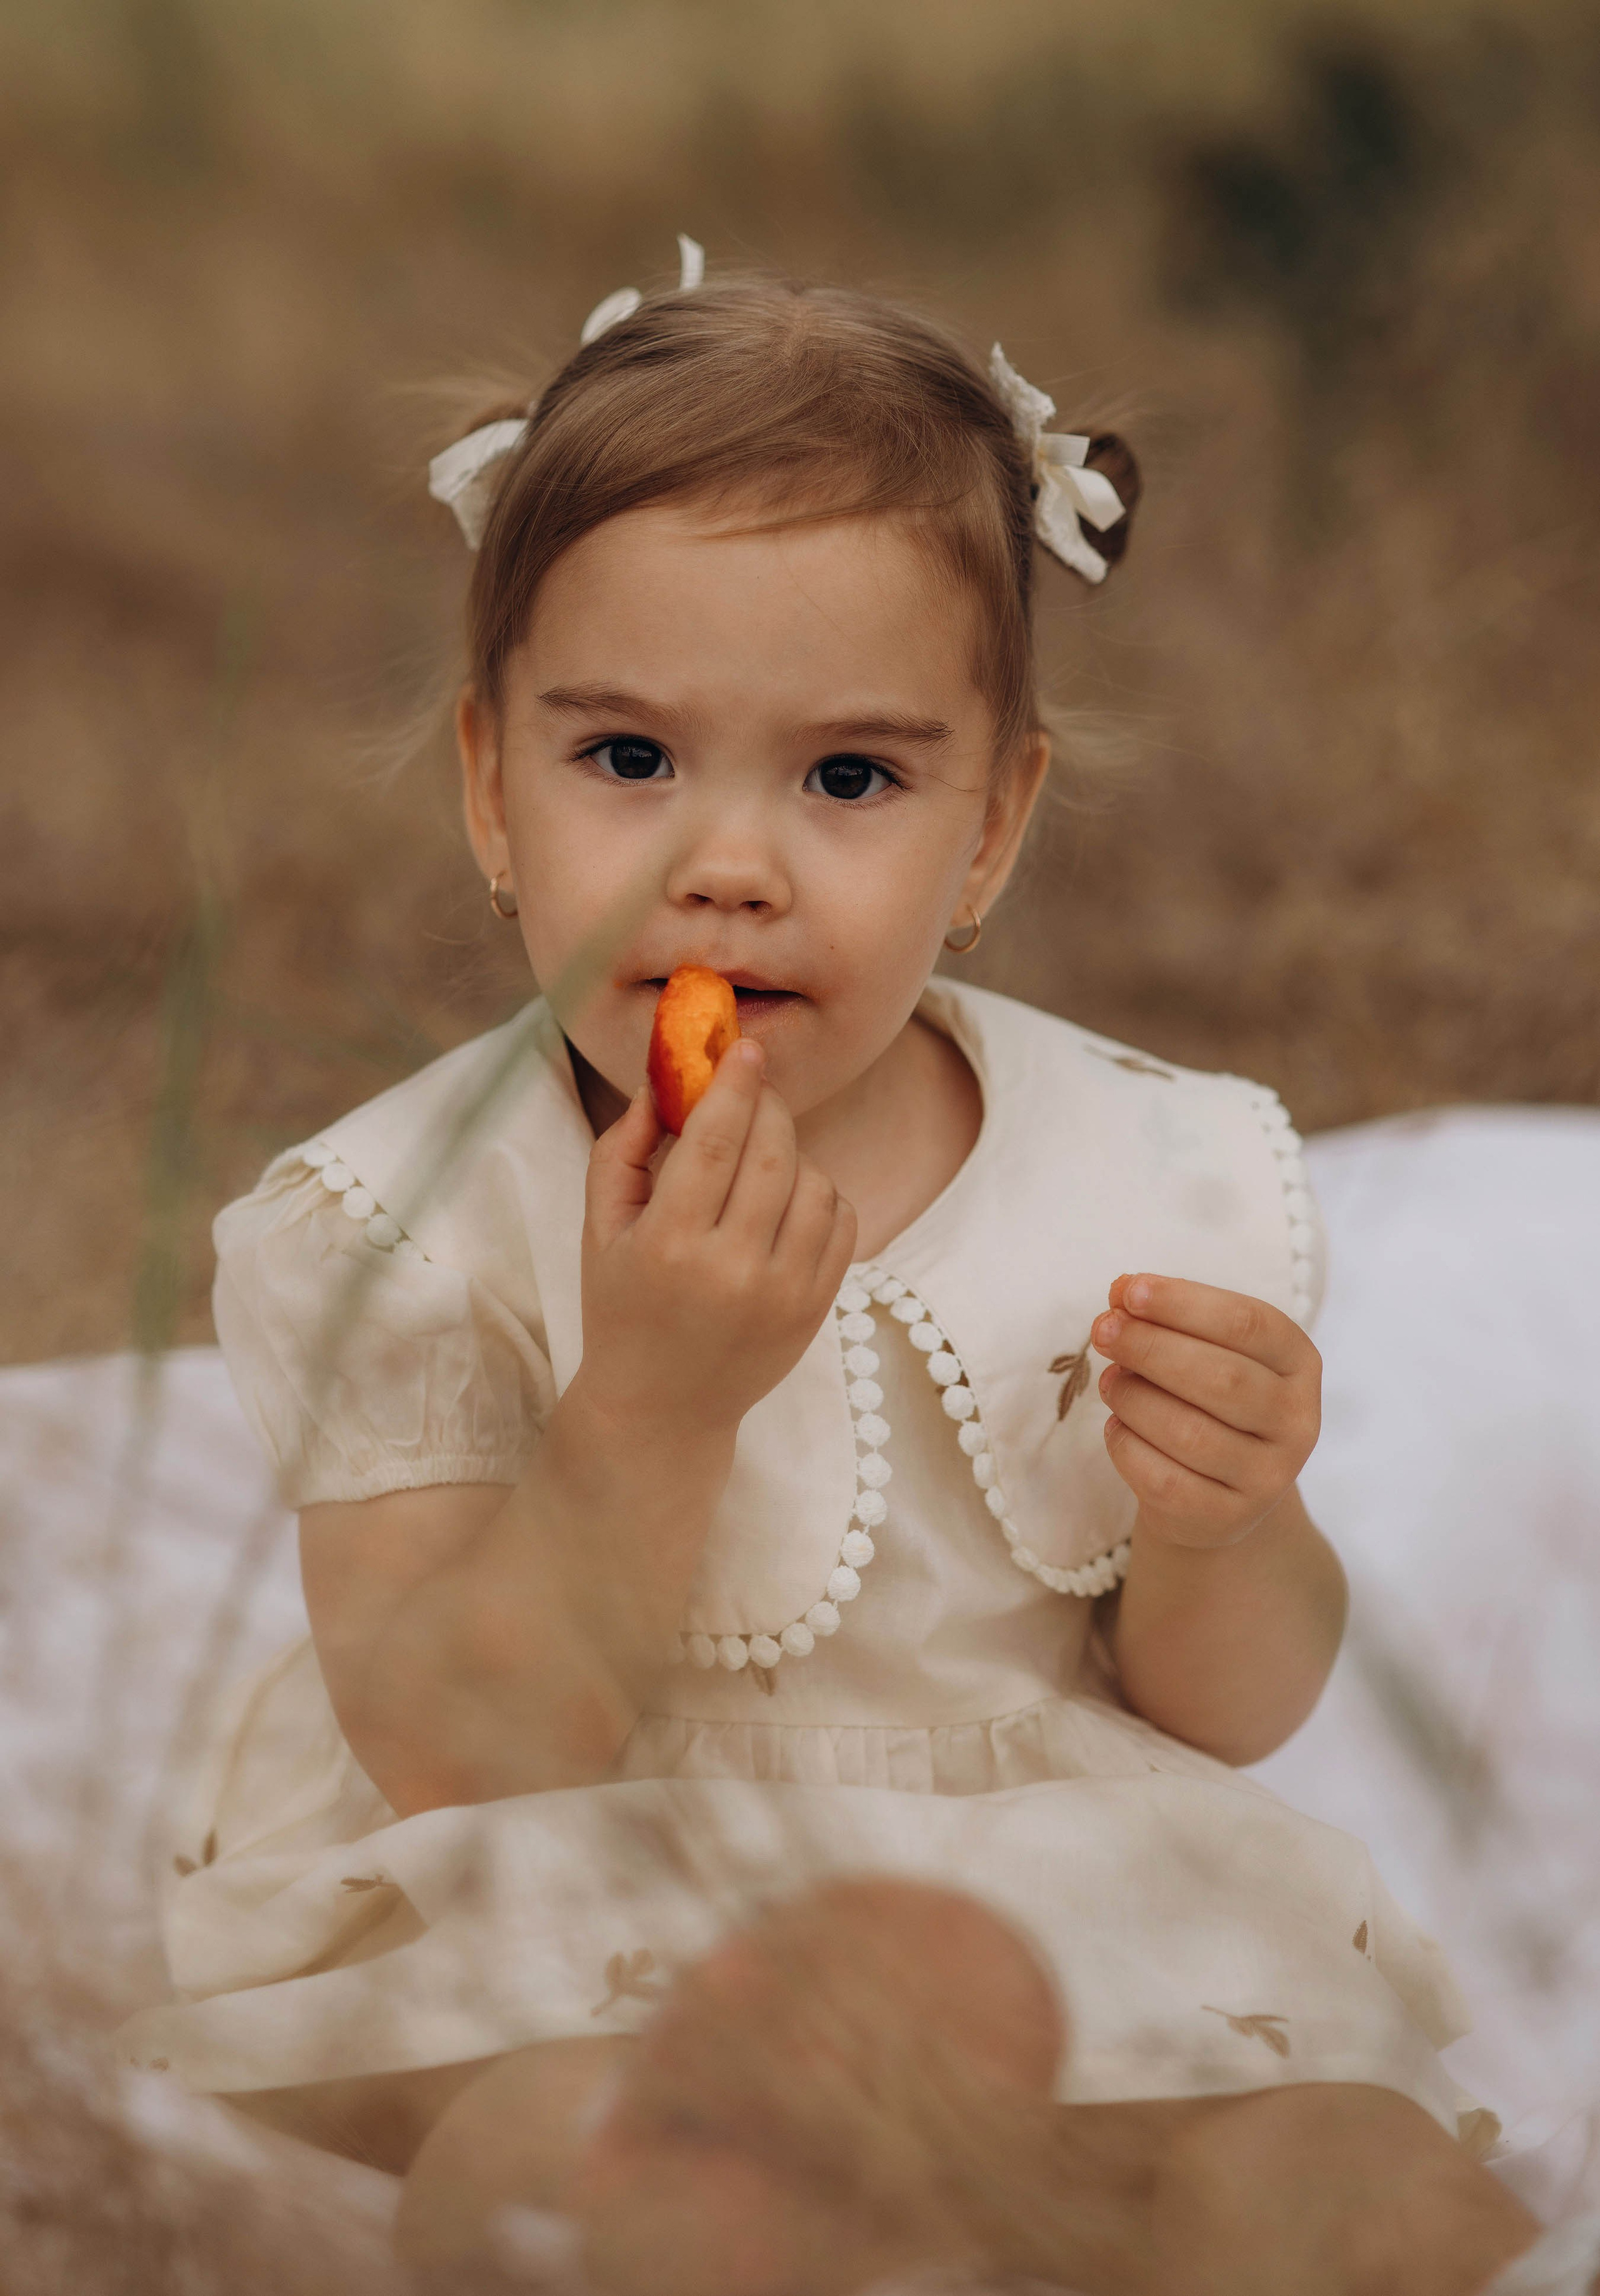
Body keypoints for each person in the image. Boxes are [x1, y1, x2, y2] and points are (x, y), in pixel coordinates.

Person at [116, 251, 1562, 2289]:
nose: (729, 862)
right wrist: (651, 1402)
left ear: (992, 831)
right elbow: (460, 1740)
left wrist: (1227, 1520)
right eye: (626, 759)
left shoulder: (1137, 1167)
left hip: (1057, 1908)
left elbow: (1221, 1709)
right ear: (486, 789)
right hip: (588, 1916)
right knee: (574, 2153)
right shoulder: (407, 1220)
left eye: (852, 778)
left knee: (1336, 2162)